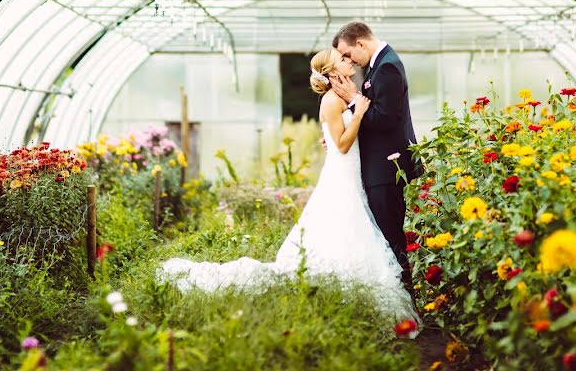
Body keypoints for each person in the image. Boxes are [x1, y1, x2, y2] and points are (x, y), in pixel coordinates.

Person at [158, 45, 420, 334]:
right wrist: (357, 115)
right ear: (332, 72)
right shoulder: (332, 101)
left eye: (347, 57)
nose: (348, 62)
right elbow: (343, 145)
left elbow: (341, 137)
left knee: (345, 227)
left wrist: (352, 117)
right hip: (341, 174)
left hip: (351, 172)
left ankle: (341, 291)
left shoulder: (340, 98)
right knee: (345, 225)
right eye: (342, 59)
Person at [328, 21, 423, 292]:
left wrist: (354, 97)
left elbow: (384, 118)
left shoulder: (388, 67)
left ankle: (404, 299)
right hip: (380, 165)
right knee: (384, 234)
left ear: (360, 43)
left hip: (387, 167)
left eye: (347, 55)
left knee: (390, 235)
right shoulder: (377, 65)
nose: (348, 61)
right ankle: (395, 294)